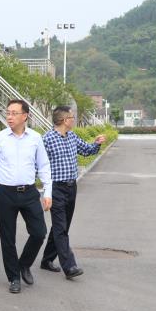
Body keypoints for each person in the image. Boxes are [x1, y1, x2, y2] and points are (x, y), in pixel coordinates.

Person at [0, 99, 52, 294]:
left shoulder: (35, 138)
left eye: (14, 113)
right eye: (8, 113)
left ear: (25, 116)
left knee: (39, 232)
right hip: (6, 193)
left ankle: (24, 264)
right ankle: (14, 277)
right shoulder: (0, 138)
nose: (9, 117)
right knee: (7, 238)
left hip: (29, 192)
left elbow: (44, 166)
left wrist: (48, 192)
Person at [40, 106, 105, 279]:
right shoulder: (47, 139)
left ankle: (46, 260)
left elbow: (87, 150)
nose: (73, 119)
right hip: (56, 188)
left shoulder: (72, 137)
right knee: (61, 228)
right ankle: (69, 266)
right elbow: (37, 163)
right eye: (71, 117)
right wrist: (44, 190)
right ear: (63, 120)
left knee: (62, 226)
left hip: (71, 187)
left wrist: (97, 143)